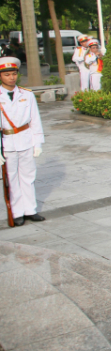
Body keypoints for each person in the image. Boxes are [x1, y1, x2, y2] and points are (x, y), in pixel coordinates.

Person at [0, 57, 43, 226]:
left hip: (25, 139)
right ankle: (17, 212)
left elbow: (35, 120)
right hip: (7, 143)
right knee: (12, 178)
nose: (11, 78)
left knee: (28, 176)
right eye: (7, 75)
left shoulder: (27, 94)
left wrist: (37, 143)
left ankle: (30, 210)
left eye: (14, 74)